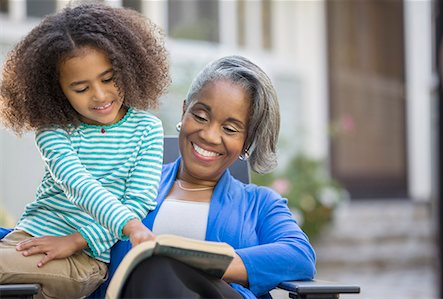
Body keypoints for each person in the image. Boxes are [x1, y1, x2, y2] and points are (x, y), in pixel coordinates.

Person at [92, 55, 316, 299]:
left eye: (230, 129)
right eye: (200, 116)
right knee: (153, 268)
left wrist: (194, 259)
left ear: (246, 143)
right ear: (184, 110)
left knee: (157, 264)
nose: (209, 135)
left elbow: (299, 255)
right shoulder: (129, 183)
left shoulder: (260, 203)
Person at [0, 3, 170, 298]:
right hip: (26, 241)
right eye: (81, 88)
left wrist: (77, 240)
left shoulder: (146, 129)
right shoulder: (54, 130)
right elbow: (76, 182)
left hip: (84, 259)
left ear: (128, 66)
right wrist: (129, 226)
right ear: (56, 90)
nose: (101, 95)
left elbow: (138, 201)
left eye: (108, 79)